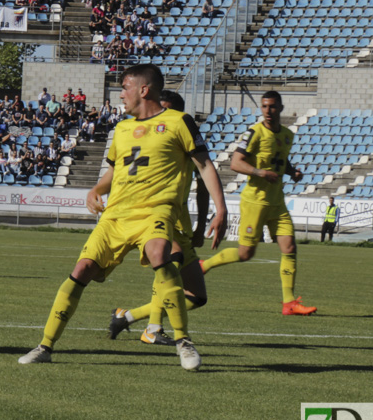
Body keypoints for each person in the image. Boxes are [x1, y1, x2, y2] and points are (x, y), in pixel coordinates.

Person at [18, 65, 227, 370]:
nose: (121, 94)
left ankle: (183, 343)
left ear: (144, 89)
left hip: (155, 210)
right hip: (116, 214)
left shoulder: (179, 121)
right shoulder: (123, 129)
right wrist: (95, 189)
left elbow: (206, 165)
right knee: (82, 269)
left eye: (125, 87)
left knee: (160, 252)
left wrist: (221, 210)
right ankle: (45, 346)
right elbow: (115, 171)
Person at [107, 90, 213, 346]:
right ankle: (153, 329)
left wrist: (200, 226)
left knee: (196, 296)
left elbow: (203, 185)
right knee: (168, 266)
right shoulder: (145, 136)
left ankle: (127, 316)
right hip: (160, 217)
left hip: (181, 219)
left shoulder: (182, 136)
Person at [199, 91, 317, 315]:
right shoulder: (254, 133)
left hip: (277, 203)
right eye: (264, 107)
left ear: (280, 108)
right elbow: (236, 163)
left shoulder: (287, 135)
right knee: (245, 254)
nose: (268, 111)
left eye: (272, 107)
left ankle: (289, 303)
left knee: (290, 248)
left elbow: (280, 158)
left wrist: (292, 172)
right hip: (255, 202)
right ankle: (204, 265)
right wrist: (260, 173)